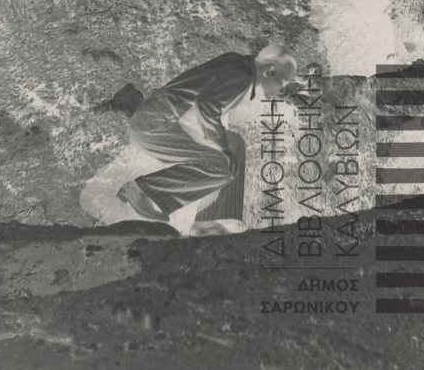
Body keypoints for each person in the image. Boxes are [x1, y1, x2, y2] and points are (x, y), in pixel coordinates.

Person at [117, 44, 297, 234]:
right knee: (221, 165)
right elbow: (206, 106)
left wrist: (224, 145)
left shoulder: (239, 64)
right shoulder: (241, 76)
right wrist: (223, 148)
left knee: (235, 144)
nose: (282, 89)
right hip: (155, 125)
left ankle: (208, 222)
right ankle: (142, 189)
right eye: (284, 81)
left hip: (162, 120)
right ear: (270, 70)